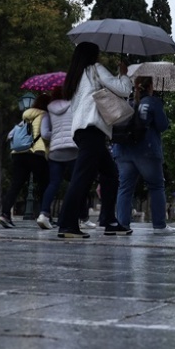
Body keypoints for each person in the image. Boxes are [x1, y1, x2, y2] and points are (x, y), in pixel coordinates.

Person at [55, 42, 132, 238]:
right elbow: (123, 90)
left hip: (83, 130)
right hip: (93, 129)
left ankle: (108, 220)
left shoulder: (75, 76)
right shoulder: (94, 69)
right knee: (82, 177)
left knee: (110, 173)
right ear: (92, 55)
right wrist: (123, 73)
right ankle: (67, 224)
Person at [115, 76, 174, 235]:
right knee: (156, 186)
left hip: (123, 151)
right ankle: (159, 226)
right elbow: (162, 126)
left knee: (125, 188)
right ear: (150, 87)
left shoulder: (128, 102)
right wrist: (159, 105)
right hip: (146, 151)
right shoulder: (153, 102)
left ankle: (122, 225)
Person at [0, 93, 50, 228]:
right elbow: (44, 134)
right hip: (35, 153)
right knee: (45, 185)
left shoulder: (26, 117)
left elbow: (11, 134)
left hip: (18, 154)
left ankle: (5, 214)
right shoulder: (44, 115)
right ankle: (44, 215)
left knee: (15, 185)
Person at [37, 87, 75, 229]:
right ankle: (79, 216)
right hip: (72, 150)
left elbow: (45, 134)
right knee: (77, 183)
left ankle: (44, 214)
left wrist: (57, 134)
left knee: (53, 184)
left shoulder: (47, 112)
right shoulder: (73, 107)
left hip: (55, 152)